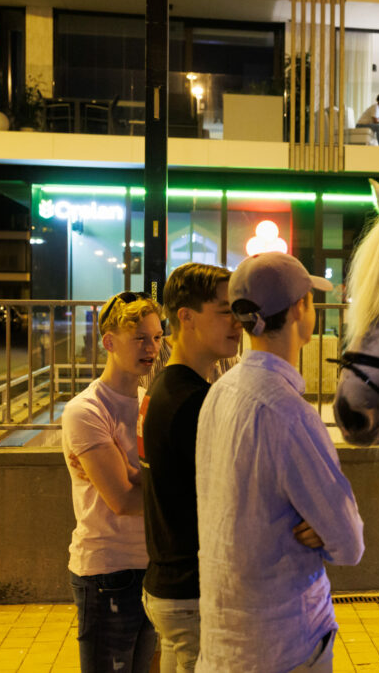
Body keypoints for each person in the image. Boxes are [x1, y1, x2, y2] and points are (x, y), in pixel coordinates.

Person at [195, 252, 364, 672]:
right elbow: (349, 542)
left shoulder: (220, 390)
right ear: (299, 309)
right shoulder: (289, 412)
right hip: (287, 644)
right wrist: (323, 529)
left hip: (222, 643)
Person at [138, 263, 241, 672]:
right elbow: (233, 503)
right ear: (186, 316)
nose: (237, 322)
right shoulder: (192, 402)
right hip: (192, 594)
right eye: (224, 310)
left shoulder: (165, 388)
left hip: (171, 586)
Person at [62, 291, 163, 672]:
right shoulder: (86, 410)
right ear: (109, 342)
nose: (152, 347)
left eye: (157, 336)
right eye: (140, 338)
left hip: (151, 567)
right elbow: (121, 499)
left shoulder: (149, 402)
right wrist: (175, 486)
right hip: (107, 574)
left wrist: (143, 479)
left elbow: (147, 484)